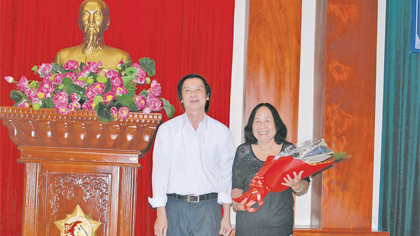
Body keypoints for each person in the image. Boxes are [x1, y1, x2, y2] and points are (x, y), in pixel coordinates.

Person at [148, 74, 236, 236]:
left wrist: (226, 216)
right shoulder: (167, 130)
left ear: (207, 96)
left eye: (198, 89)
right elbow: (159, 174)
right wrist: (161, 214)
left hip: (209, 209)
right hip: (175, 208)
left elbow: (225, 175)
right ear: (181, 98)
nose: (193, 94)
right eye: (187, 90)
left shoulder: (221, 132)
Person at [232, 103, 310, 236]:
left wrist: (297, 186)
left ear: (276, 124)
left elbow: (304, 186)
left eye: (268, 120)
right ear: (251, 126)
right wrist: (236, 204)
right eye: (257, 121)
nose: (262, 126)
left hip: (280, 227)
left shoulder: (288, 150)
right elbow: (237, 186)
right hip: (248, 226)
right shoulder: (243, 151)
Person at [54, 0, 132, 70]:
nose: (91, 20)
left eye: (97, 14)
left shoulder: (121, 58)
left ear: (107, 22)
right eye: (86, 14)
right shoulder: (62, 57)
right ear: (79, 23)